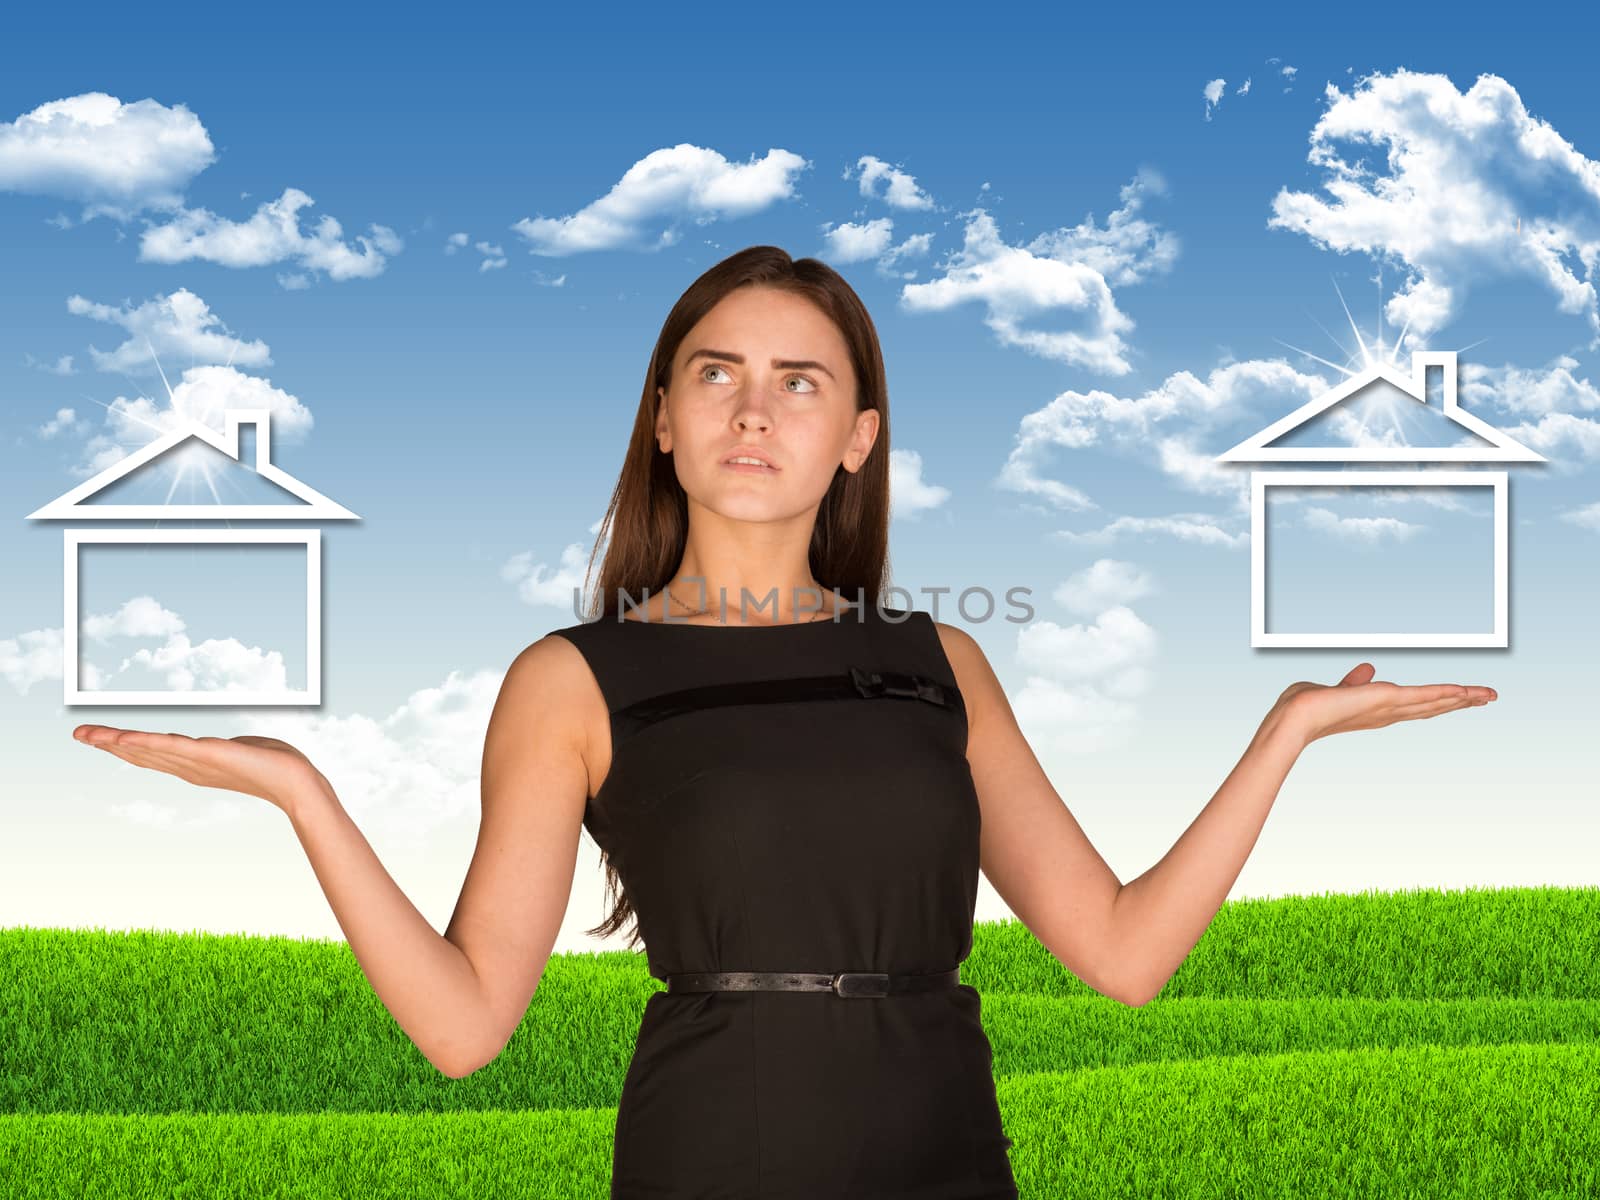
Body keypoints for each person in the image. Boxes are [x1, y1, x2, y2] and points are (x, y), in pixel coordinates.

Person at [71, 245, 1498, 1198]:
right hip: (718, 1153)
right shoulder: (573, 679)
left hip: (946, 1148)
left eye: (799, 382)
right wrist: (306, 795)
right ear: (667, 423)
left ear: (858, 437)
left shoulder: (935, 660)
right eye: (718, 376)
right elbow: (462, 1028)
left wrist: (1281, 740)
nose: (757, 412)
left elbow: (1122, 954)